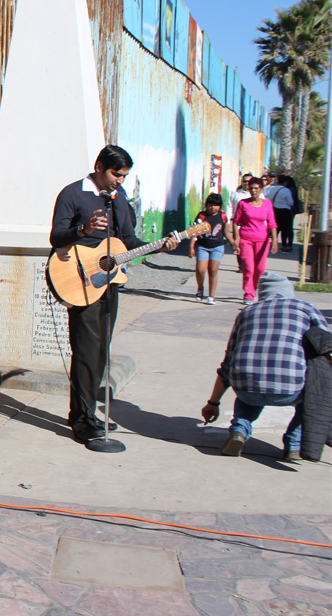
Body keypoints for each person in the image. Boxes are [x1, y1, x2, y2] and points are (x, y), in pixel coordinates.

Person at [49, 145, 177, 444]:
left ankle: (86, 412)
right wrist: (83, 229)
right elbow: (56, 236)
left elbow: (128, 240)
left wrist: (159, 246)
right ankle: (82, 421)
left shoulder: (118, 199)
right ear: (99, 167)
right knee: (85, 351)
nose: (119, 180)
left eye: (124, 176)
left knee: (100, 351)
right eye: (115, 174)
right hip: (79, 279)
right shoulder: (72, 193)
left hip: (109, 281)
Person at [201, 273, 329, 459]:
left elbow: (228, 362)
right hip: (291, 390)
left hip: (246, 389)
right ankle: (294, 444)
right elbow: (327, 345)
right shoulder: (306, 308)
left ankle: (239, 430)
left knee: (248, 384)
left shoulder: (246, 312)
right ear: (288, 292)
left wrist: (213, 402)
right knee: (313, 390)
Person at [232, 177, 278, 305]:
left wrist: (274, 240)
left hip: (262, 241)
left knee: (260, 269)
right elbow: (235, 222)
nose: (253, 191)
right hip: (246, 239)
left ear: (261, 189)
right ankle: (248, 294)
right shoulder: (243, 203)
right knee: (249, 268)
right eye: (251, 188)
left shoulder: (267, 204)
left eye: (256, 188)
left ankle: (257, 288)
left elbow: (272, 223)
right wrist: (237, 238)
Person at [188, 193, 234, 305]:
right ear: (206, 205)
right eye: (210, 205)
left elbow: (226, 232)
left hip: (217, 247)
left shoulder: (222, 216)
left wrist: (233, 243)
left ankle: (211, 296)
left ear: (220, 206)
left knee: (213, 270)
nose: (212, 207)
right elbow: (194, 232)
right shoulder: (201, 216)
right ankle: (200, 288)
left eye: (215, 205)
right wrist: (191, 247)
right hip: (202, 246)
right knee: (200, 270)